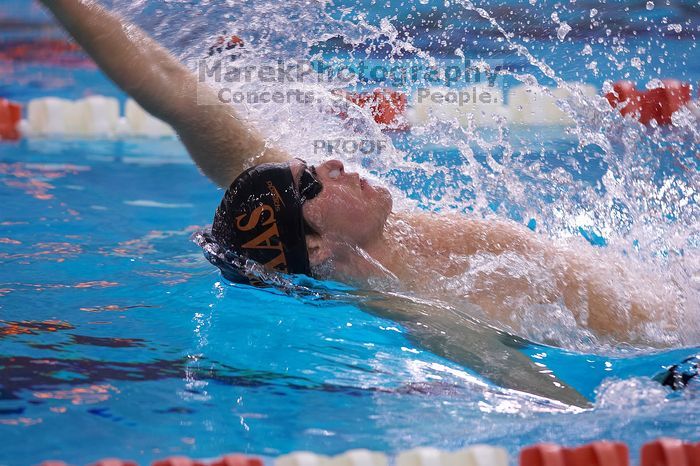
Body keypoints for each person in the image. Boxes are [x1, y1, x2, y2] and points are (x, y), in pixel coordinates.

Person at [39, 0, 683, 347]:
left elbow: (172, 89)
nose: (335, 164)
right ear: (317, 247)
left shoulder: (290, 210)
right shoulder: (433, 307)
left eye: (311, 167)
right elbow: (545, 395)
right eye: (313, 184)